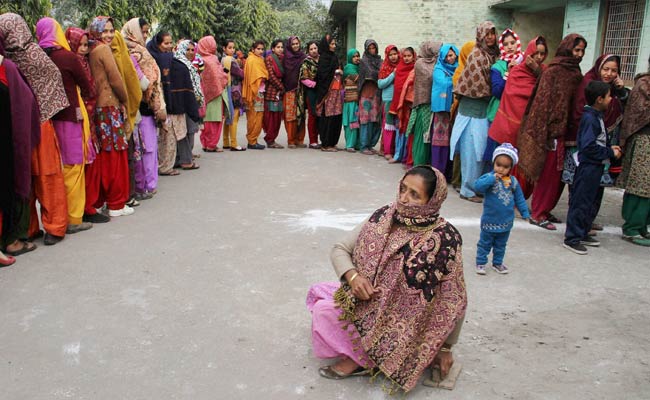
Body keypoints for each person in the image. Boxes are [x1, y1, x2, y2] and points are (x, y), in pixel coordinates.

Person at [306, 166, 466, 393]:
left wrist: (446, 348)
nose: (403, 198)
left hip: (405, 329)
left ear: (432, 200)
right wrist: (353, 277)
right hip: (368, 304)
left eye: (414, 195)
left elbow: (454, 299)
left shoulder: (445, 239)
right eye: (403, 189)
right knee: (318, 291)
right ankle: (367, 350)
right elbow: (340, 249)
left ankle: (362, 360)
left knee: (323, 311)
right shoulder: (384, 216)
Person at [0, 13, 70, 246]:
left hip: (29, 123)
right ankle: (46, 227)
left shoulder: (17, 58)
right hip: (33, 124)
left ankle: (44, 226)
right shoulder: (14, 59)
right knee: (39, 174)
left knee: (34, 174)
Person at [518, 34, 587, 230]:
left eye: (582, 51)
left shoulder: (575, 73)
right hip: (551, 133)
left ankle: (546, 210)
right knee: (548, 174)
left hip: (567, 132)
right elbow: (542, 104)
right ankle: (538, 212)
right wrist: (545, 132)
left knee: (559, 176)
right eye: (576, 50)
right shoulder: (553, 72)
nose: (579, 55)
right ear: (567, 48)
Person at [35, 17, 94, 234]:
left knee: (54, 171)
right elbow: (87, 87)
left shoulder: (33, 57)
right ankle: (73, 218)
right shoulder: (67, 57)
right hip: (70, 118)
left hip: (45, 122)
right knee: (73, 167)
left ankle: (55, 217)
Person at [564, 54, 627, 232]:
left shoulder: (611, 92)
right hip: (587, 153)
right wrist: (606, 151)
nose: (609, 73)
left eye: (614, 70)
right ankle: (575, 233)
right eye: (606, 69)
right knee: (581, 194)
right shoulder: (590, 89)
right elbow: (583, 130)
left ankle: (585, 224)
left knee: (595, 190)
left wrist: (620, 92)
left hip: (601, 152)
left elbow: (622, 107)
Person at [563, 81, 622, 254]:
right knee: (581, 201)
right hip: (588, 167)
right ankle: (572, 238)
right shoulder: (590, 119)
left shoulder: (597, 115)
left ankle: (583, 231)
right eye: (609, 96)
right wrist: (610, 152)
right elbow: (588, 147)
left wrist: (611, 149)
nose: (611, 99)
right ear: (599, 99)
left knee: (591, 201)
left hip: (597, 167)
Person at [488, 36, 548, 198]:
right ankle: (504, 196)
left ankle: (518, 198)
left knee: (527, 164)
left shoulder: (545, 73)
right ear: (529, 52)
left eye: (542, 54)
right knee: (509, 164)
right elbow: (511, 95)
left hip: (533, 129)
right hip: (514, 127)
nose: (539, 58)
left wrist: (539, 73)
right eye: (536, 53)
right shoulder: (517, 72)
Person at [86, 16, 134, 217]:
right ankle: (116, 202)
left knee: (105, 154)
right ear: (96, 31)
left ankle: (106, 199)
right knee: (116, 154)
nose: (109, 34)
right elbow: (116, 79)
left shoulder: (90, 49)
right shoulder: (103, 50)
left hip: (99, 108)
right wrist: (125, 100)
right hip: (109, 107)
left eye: (111, 30)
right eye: (104, 30)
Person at [450, 21, 500, 203]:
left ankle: (477, 187)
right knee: (472, 153)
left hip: (485, 112)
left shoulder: (493, 55)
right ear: (480, 35)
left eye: (493, 33)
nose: (490, 37)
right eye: (487, 34)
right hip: (472, 111)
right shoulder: (477, 55)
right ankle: (468, 190)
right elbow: (478, 85)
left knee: (482, 153)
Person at [0, 36, 40, 259]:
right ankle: (12, 240)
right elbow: (26, 104)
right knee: (15, 185)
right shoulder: (7, 66)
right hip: (9, 144)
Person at [121, 18, 165, 199]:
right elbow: (147, 84)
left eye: (147, 32)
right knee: (146, 148)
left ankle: (145, 184)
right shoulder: (131, 52)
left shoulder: (135, 50)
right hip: (141, 107)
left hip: (141, 107)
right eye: (143, 32)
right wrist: (158, 107)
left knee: (143, 148)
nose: (145, 36)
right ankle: (145, 185)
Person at [474, 143, 530, 274]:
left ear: (511, 167)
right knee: (485, 243)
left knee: (501, 245)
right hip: (489, 220)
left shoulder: (513, 182)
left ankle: (497, 263)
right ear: (493, 163)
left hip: (506, 221)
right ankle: (481, 262)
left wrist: (525, 212)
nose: (501, 169)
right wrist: (491, 179)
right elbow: (478, 187)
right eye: (498, 165)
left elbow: (520, 198)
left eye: (505, 167)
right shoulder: (488, 177)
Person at [618, 55, 650, 246]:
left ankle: (642, 227)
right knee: (640, 186)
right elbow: (637, 114)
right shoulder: (643, 85)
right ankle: (631, 227)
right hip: (643, 141)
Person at [484, 29, 523, 160]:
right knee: (497, 155)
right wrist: (510, 73)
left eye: (512, 42)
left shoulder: (525, 64)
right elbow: (497, 91)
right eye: (506, 44)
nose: (510, 46)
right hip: (498, 114)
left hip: (517, 115)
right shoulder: (497, 67)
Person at [147, 31, 179, 175]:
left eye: (171, 42)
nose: (169, 46)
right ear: (158, 43)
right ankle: (164, 166)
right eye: (166, 43)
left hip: (164, 100)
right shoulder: (157, 58)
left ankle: (162, 165)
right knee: (164, 134)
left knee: (164, 134)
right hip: (157, 101)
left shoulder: (166, 57)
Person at [407, 40, 441, 167]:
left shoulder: (437, 63)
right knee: (422, 137)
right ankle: (418, 164)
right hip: (423, 104)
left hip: (435, 105)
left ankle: (426, 165)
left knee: (431, 137)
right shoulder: (420, 64)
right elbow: (431, 76)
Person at [449, 41, 475, 192]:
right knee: (460, 147)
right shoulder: (460, 71)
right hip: (460, 111)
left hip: (470, 114)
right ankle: (457, 180)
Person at [197, 35, 228, 156]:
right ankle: (211, 144)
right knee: (215, 120)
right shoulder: (212, 59)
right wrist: (225, 77)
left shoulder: (199, 59)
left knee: (207, 120)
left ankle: (205, 143)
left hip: (204, 94)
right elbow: (219, 77)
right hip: (216, 94)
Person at [430, 43, 459, 174]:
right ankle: (437, 171)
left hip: (454, 110)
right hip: (441, 110)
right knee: (439, 141)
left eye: (452, 55)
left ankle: (447, 172)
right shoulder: (438, 69)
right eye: (447, 56)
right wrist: (455, 79)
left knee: (450, 141)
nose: (450, 58)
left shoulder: (459, 68)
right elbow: (442, 83)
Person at [175, 39, 204, 165]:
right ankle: (184, 159)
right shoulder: (180, 64)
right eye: (188, 49)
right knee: (186, 131)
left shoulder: (190, 65)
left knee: (191, 130)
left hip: (192, 101)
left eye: (193, 50)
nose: (191, 52)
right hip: (184, 103)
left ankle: (186, 156)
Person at [315, 35, 343, 152]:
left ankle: (332, 142)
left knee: (336, 116)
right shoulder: (324, 58)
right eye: (331, 44)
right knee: (328, 117)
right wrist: (336, 71)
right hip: (328, 92)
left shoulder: (334, 57)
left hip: (337, 92)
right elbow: (322, 75)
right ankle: (325, 144)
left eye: (334, 44)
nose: (334, 46)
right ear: (326, 45)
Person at [388, 47, 416, 163]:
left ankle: (405, 156)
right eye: (404, 56)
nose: (406, 58)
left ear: (413, 56)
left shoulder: (415, 68)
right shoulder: (399, 68)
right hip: (398, 104)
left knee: (407, 131)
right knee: (399, 129)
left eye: (409, 56)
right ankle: (397, 155)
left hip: (409, 104)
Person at [357, 39, 382, 154]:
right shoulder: (364, 61)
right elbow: (371, 73)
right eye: (370, 48)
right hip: (365, 94)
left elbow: (380, 73)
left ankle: (371, 144)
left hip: (376, 95)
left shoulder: (379, 60)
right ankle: (363, 146)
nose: (372, 50)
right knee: (365, 121)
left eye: (374, 48)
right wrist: (379, 73)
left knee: (375, 121)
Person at [243, 39, 269, 150]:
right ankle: (252, 141)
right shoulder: (251, 60)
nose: (260, 51)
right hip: (254, 92)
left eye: (262, 49)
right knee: (254, 117)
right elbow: (255, 76)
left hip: (260, 92)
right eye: (258, 49)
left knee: (257, 116)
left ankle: (253, 140)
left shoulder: (260, 59)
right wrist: (263, 75)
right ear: (253, 49)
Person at [282, 36, 307, 149]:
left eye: (297, 43)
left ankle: (300, 140)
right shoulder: (285, 58)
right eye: (293, 44)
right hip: (289, 91)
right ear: (289, 45)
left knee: (301, 115)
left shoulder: (303, 57)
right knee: (291, 116)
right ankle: (291, 140)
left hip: (301, 90)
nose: (296, 45)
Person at [222, 39, 246, 151]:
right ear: (224, 48)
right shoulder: (230, 60)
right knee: (234, 117)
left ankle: (226, 141)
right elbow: (240, 74)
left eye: (233, 48)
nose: (232, 50)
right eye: (229, 47)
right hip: (234, 91)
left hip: (227, 90)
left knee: (228, 117)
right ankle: (234, 143)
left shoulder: (222, 60)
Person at [377, 45, 400, 160]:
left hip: (400, 100)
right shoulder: (384, 67)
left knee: (397, 127)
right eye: (390, 55)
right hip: (388, 100)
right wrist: (393, 75)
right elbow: (380, 84)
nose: (393, 57)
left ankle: (397, 151)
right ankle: (387, 151)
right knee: (388, 126)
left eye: (395, 54)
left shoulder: (402, 66)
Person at [263, 39, 285, 149]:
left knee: (277, 117)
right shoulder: (269, 59)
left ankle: (272, 139)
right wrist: (282, 87)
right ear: (273, 49)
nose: (280, 49)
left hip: (280, 93)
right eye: (278, 47)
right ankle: (270, 139)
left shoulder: (283, 59)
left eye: (282, 47)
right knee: (271, 117)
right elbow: (271, 76)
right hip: (271, 92)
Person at [298, 40, 320, 149]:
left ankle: (320, 138)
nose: (313, 51)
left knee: (321, 115)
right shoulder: (306, 62)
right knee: (313, 115)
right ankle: (312, 141)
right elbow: (303, 79)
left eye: (315, 48)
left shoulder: (323, 60)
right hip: (312, 91)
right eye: (311, 49)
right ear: (308, 51)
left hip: (322, 91)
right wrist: (315, 84)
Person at [342, 48, 360, 152]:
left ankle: (355, 144)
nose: (356, 58)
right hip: (350, 100)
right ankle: (349, 144)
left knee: (355, 122)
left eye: (357, 56)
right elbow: (358, 79)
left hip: (356, 99)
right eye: (354, 56)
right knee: (351, 122)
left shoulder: (358, 67)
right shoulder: (349, 68)